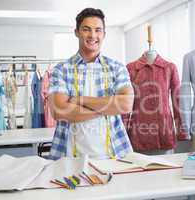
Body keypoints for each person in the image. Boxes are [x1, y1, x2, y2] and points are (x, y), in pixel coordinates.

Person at [48, 8, 134, 160]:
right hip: (68, 157)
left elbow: (126, 105)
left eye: (98, 30)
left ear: (104, 34)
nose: (93, 35)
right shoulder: (60, 70)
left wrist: (79, 101)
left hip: (114, 154)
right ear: (77, 32)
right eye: (86, 29)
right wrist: (108, 108)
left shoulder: (116, 67)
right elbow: (59, 111)